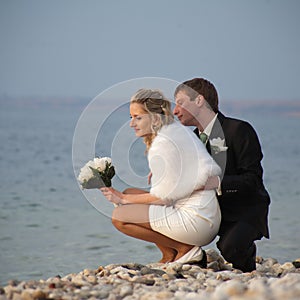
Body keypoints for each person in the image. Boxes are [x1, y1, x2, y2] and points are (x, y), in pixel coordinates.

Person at [101, 88, 221, 266]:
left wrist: (122, 199)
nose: (132, 123)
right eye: (131, 117)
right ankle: (169, 254)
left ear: (155, 118)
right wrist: (126, 196)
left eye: (138, 117)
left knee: (120, 216)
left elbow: (163, 199)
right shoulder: (174, 132)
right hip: (206, 215)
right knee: (130, 193)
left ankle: (185, 249)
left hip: (197, 220)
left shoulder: (163, 144)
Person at [173, 78, 270, 272]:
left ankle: (248, 265)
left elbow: (252, 181)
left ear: (199, 101)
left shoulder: (239, 130)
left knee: (230, 248)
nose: (175, 110)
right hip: (208, 212)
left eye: (181, 103)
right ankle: (189, 257)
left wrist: (214, 182)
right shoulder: (189, 141)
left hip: (244, 210)